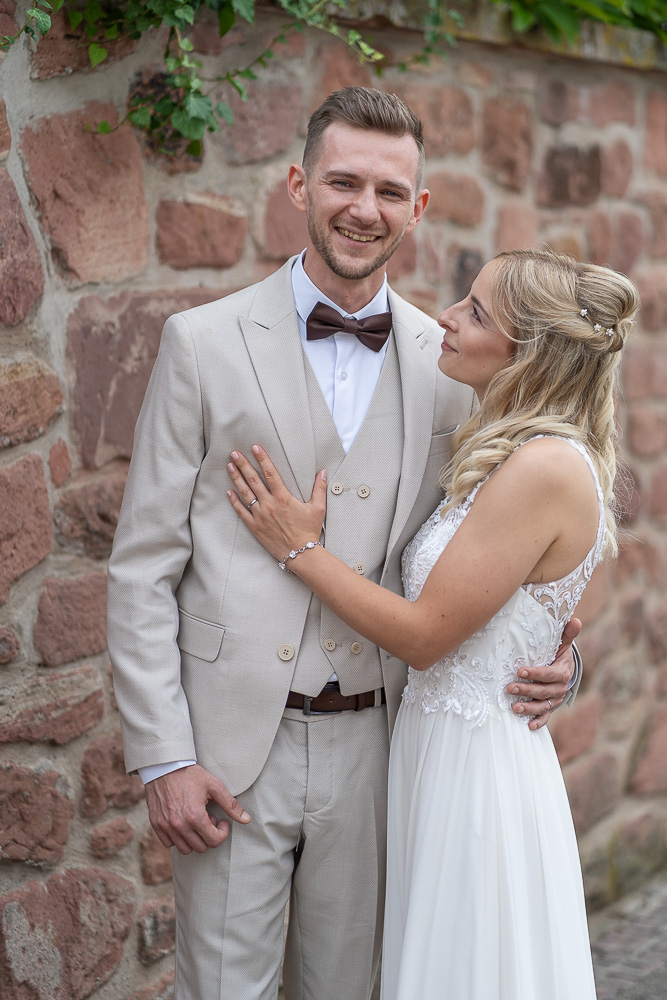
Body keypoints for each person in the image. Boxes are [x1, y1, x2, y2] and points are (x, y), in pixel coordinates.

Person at [107, 88, 577, 1000]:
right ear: (298, 184)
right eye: (343, 182)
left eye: (389, 191)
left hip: (384, 747)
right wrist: (163, 754)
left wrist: (561, 656)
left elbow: (506, 548)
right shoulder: (201, 345)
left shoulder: (451, 364)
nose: (364, 209)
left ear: (419, 207)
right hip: (231, 744)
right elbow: (141, 568)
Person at [226, 247, 639, 999]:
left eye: (476, 312)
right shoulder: (507, 444)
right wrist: (559, 661)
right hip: (437, 746)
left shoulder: (542, 466)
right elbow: (519, 612)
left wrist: (301, 549)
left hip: (476, 769)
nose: (446, 317)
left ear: (531, 354)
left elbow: (425, 634)